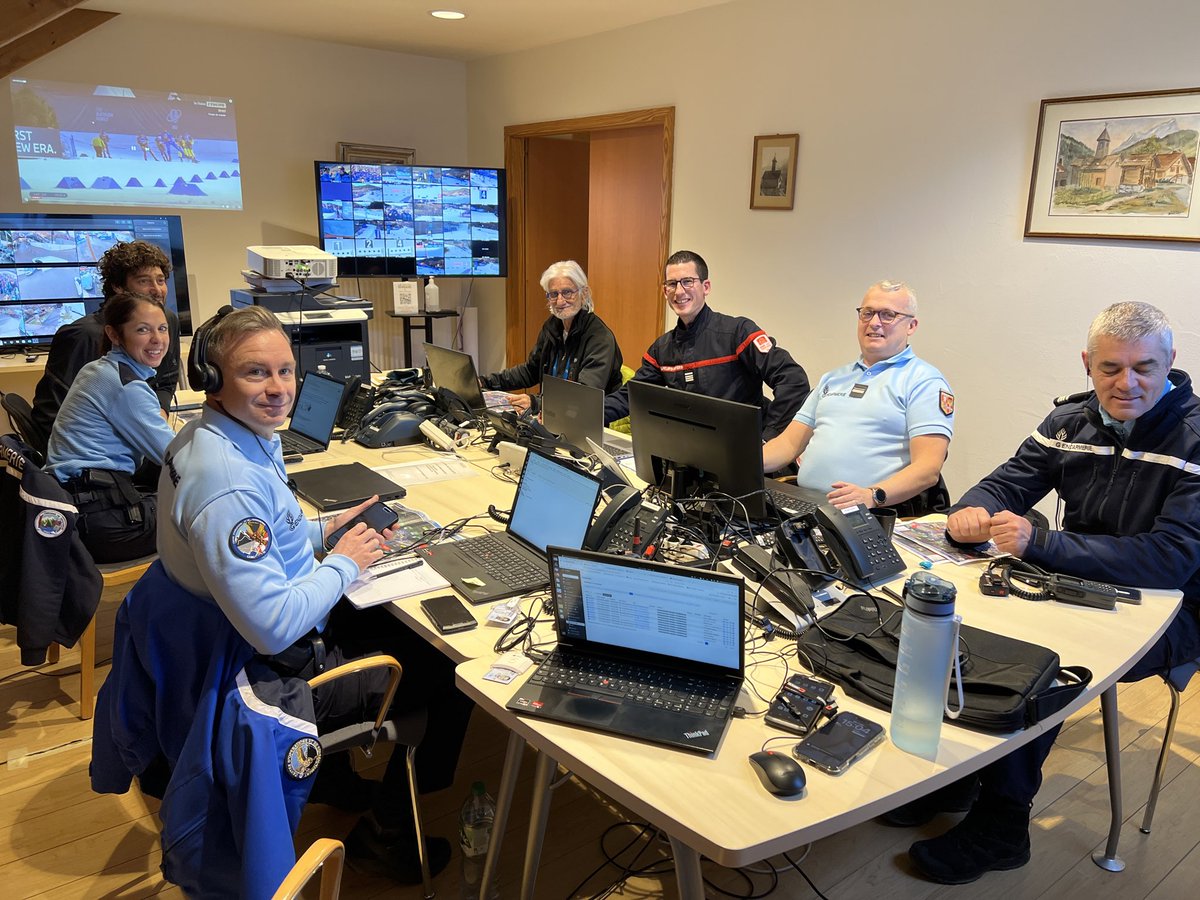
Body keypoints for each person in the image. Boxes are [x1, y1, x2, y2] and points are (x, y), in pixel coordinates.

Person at [158, 305, 472, 884]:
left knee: (386, 616)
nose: (279, 389)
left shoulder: (216, 435)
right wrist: (345, 565)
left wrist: (324, 532)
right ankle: (388, 832)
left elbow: (267, 538)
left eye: (285, 370)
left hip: (235, 643)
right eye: (257, 373)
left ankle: (332, 779)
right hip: (271, 668)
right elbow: (273, 627)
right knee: (454, 671)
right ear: (212, 378)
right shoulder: (226, 484)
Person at [900, 301, 1200, 885]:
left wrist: (1041, 543)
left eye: (1145, 367)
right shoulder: (1069, 421)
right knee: (965, 624)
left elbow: (1170, 559)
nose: (1127, 383)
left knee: (1044, 669)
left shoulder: (1193, 438)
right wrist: (971, 509)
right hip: (1078, 583)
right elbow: (1010, 480)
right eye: (1110, 368)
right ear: (1086, 363)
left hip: (1176, 606)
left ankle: (1003, 823)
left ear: (1170, 362)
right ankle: (963, 776)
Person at [762, 281, 953, 514]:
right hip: (806, 506)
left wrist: (872, 495)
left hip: (872, 512)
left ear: (911, 325)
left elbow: (927, 469)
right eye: (867, 313)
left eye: (888, 315)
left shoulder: (924, 381)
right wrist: (739, 462)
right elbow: (788, 444)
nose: (874, 322)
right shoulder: (833, 378)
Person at [603, 250, 810, 448]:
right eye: (672, 284)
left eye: (687, 282)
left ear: (706, 287)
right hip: (690, 455)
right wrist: (585, 413)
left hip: (741, 453)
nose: (679, 291)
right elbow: (631, 396)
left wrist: (768, 438)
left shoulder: (738, 333)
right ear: (665, 291)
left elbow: (793, 380)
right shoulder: (661, 350)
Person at [44, 292, 176, 563]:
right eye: (143, 330)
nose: (157, 339)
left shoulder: (97, 369)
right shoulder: (127, 387)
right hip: (104, 525)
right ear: (114, 334)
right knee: (206, 514)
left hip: (76, 509)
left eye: (162, 329)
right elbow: (177, 457)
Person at [30, 240, 182, 456]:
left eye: (160, 280)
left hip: (140, 436)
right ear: (118, 287)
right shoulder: (83, 336)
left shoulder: (167, 321)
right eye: (143, 281)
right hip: (97, 457)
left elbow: (166, 379)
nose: (156, 290)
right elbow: (50, 415)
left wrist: (157, 417)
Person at [480, 259, 622, 413]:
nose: (560, 301)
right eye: (553, 294)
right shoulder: (552, 327)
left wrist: (537, 403)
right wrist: (485, 382)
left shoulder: (599, 338)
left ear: (584, 294)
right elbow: (531, 371)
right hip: (549, 417)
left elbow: (585, 394)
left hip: (584, 424)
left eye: (567, 292)